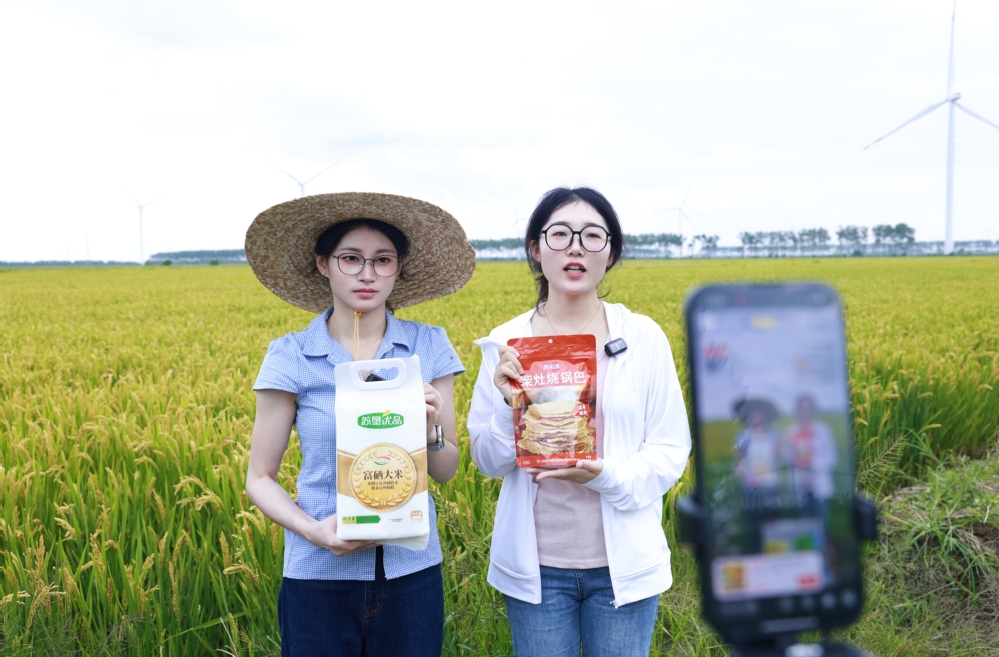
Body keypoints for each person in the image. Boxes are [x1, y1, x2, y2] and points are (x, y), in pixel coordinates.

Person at [243, 192, 475, 657]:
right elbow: (259, 478)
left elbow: (446, 469)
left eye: (382, 260)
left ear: (399, 268)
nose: (367, 274)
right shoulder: (291, 354)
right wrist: (314, 532)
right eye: (351, 258)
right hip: (317, 575)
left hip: (410, 574)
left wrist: (429, 428)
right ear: (322, 263)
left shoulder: (428, 346)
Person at [467, 187, 691, 657]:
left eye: (592, 236)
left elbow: (671, 448)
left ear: (610, 253)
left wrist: (605, 476)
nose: (575, 247)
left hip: (623, 566)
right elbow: (487, 461)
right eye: (560, 235)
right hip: (537, 569)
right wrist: (511, 407)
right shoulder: (506, 343)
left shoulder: (643, 338)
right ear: (536, 249)